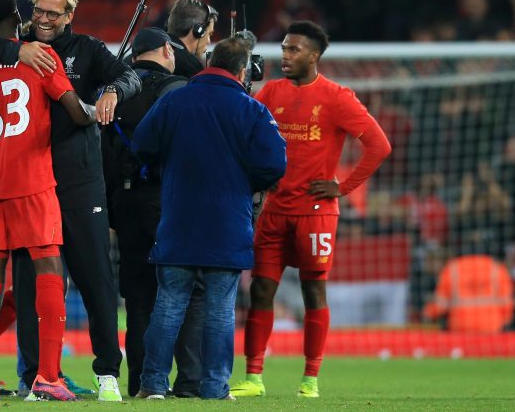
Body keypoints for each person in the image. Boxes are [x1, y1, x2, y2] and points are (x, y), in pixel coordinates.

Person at [0, 0, 139, 401]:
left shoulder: (88, 49)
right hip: (34, 182)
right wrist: (18, 49)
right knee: (28, 286)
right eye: (37, 11)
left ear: (70, 15)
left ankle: (106, 371)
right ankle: (37, 373)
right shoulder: (22, 50)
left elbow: (129, 76)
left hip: (73, 183)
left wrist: (112, 90)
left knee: (95, 279)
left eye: (53, 13)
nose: (42, 20)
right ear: (26, 11)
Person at [232, 21, 391, 399]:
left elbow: (379, 146)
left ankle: (310, 380)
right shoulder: (271, 92)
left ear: (314, 55)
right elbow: (243, 133)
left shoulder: (337, 97)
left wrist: (342, 187)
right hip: (274, 211)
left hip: (316, 213)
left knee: (313, 293)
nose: (285, 56)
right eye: (284, 49)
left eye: (294, 50)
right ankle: (254, 377)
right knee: (261, 291)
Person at [130, 36, 287, 400]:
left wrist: (165, 168)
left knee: (169, 304)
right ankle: (215, 387)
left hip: (178, 217)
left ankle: (152, 384)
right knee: (219, 310)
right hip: (228, 221)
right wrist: (251, 183)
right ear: (242, 70)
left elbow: (142, 145)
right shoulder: (251, 110)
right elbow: (275, 164)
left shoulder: (175, 100)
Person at [103, 27, 204, 397]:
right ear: (167, 49)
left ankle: (141, 384)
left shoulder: (114, 92)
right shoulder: (177, 90)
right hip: (168, 200)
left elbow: (104, 156)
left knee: (138, 298)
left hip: (126, 203)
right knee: (185, 290)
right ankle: (189, 381)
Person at [165, 0, 218, 78]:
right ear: (198, 31)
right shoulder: (190, 65)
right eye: (209, 34)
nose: (209, 41)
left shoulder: (155, 49)